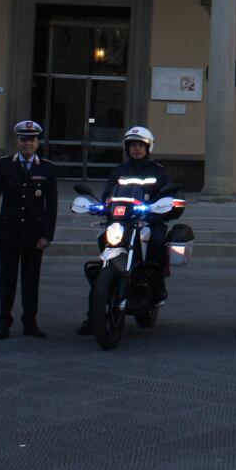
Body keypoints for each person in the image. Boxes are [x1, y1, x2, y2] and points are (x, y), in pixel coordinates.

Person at [75, 126, 176, 335]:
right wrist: (100, 205)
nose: (136, 149)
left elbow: (170, 193)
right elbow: (107, 195)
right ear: (127, 148)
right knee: (103, 256)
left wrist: (163, 206)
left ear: (148, 148)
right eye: (133, 145)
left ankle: (157, 287)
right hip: (121, 222)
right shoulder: (119, 171)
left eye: (140, 145)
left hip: (148, 220)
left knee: (157, 242)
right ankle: (92, 317)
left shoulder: (157, 171)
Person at [0, 120, 57, 340]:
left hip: (33, 234)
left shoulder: (46, 167)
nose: (28, 144)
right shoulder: (4, 165)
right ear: (17, 141)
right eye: (24, 140)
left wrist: (47, 235)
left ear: (38, 142)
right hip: (8, 231)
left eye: (32, 140)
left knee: (31, 280)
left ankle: (30, 322)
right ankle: (4, 322)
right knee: (6, 279)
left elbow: (51, 205)